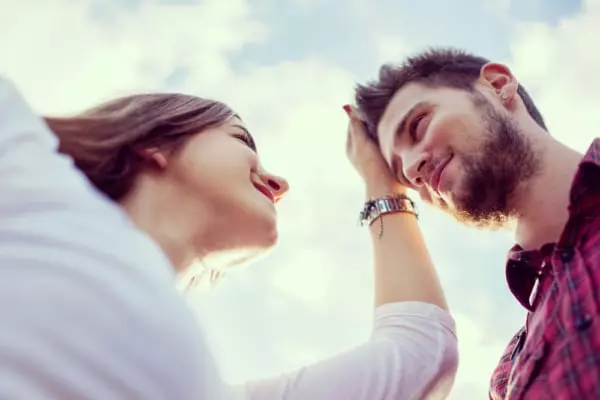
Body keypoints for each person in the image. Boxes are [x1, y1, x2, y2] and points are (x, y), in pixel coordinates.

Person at [0, 76, 458, 399]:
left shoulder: (200, 390)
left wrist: (380, 184)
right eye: (241, 139)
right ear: (154, 143)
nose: (279, 183)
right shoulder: (28, 177)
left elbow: (421, 356)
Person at [354, 46, 600, 399]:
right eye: (404, 178)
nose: (411, 168)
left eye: (419, 125)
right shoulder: (509, 375)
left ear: (498, 85)